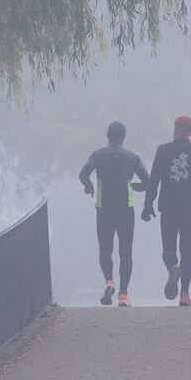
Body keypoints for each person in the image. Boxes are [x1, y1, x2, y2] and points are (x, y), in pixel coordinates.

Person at [141, 116, 191, 306]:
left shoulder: (163, 151)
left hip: (168, 207)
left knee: (168, 249)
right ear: (190, 133)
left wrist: (148, 205)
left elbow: (154, 181)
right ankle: (185, 295)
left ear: (175, 129)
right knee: (187, 251)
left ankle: (173, 268)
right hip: (190, 208)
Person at [79, 121, 149, 307]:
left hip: (104, 208)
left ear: (108, 135)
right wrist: (136, 186)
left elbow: (83, 173)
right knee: (126, 251)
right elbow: (147, 181)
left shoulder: (98, 155)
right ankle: (123, 295)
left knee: (105, 249)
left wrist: (89, 186)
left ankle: (109, 281)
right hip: (126, 208)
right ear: (123, 137)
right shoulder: (132, 157)